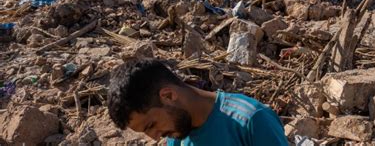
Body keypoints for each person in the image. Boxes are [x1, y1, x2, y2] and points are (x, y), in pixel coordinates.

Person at [107, 59, 289, 146]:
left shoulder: (251, 121)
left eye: (151, 125)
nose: (155, 137)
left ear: (169, 95)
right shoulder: (176, 137)